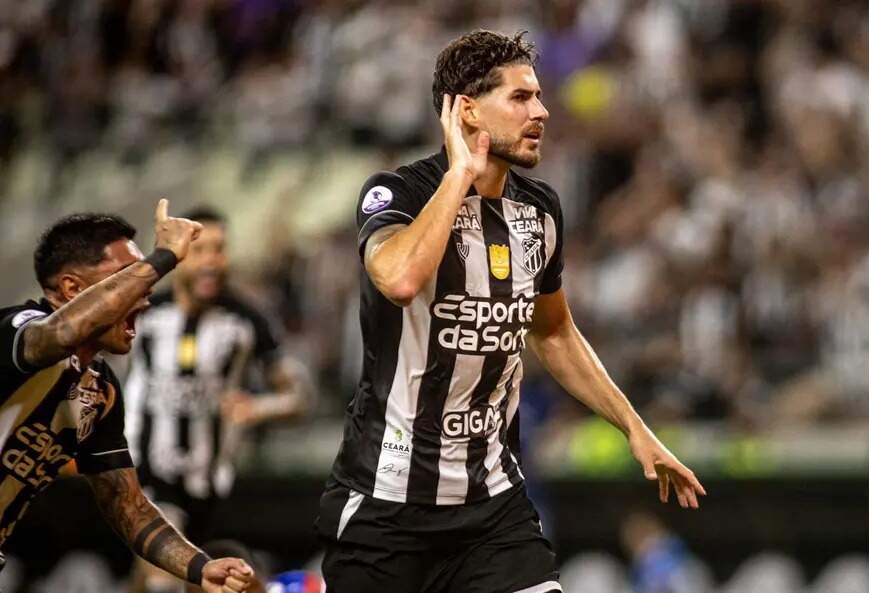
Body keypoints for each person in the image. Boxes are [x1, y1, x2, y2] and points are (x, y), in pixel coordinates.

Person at [316, 30, 706, 593]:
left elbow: (556, 332)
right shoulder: (396, 193)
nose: (541, 111)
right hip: (386, 506)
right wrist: (460, 174)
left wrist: (634, 428)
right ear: (467, 111)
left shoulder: (540, 210)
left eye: (539, 96)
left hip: (491, 508)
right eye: (520, 97)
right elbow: (399, 279)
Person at [0, 200, 254, 593]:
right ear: (72, 289)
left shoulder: (99, 391)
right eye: (125, 276)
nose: (144, 292)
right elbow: (59, 333)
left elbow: (129, 507)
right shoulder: (17, 329)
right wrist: (163, 257)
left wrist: (198, 567)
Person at [124, 206, 307, 592]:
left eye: (219, 249)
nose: (211, 261)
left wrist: (260, 407)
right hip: (149, 477)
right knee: (162, 578)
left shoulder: (246, 320)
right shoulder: (143, 312)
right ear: (179, 256)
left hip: (212, 486)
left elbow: (297, 395)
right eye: (200, 250)